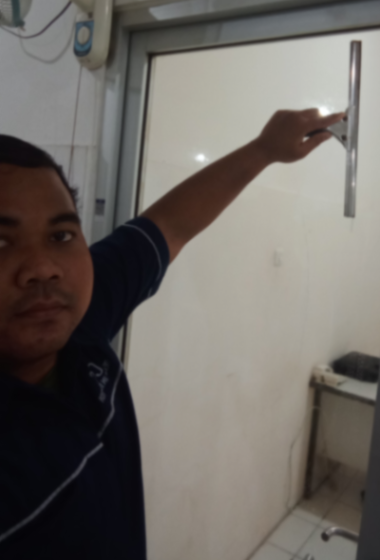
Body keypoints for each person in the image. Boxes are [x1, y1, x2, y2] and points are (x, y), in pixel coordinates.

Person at [0, 108, 343, 559]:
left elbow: (169, 225)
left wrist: (265, 149)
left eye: (61, 235)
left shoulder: (79, 322)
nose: (43, 267)